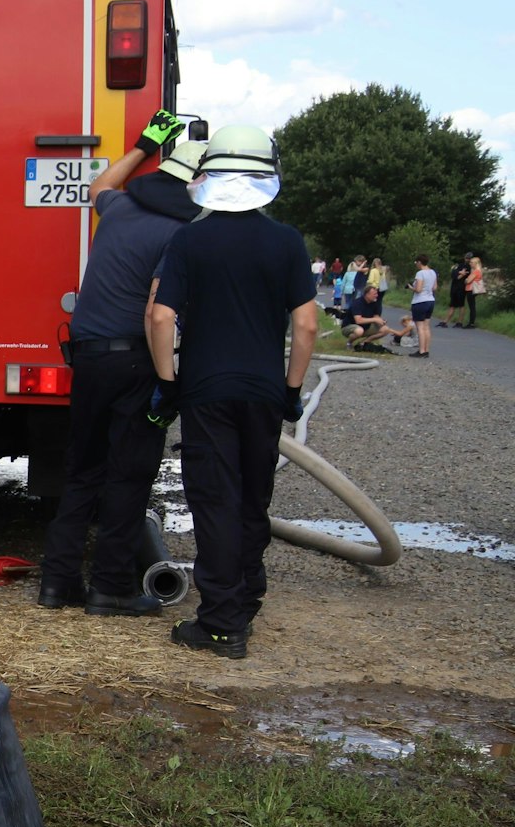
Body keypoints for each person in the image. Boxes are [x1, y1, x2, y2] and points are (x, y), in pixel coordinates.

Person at [144, 124, 318, 659]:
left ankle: (220, 625)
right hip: (265, 393)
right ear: (268, 174)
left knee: (215, 501)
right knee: (250, 498)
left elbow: (159, 314)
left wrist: (166, 386)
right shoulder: (287, 241)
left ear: (208, 175)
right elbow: (307, 325)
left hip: (206, 393)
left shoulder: (190, 240)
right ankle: (246, 598)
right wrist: (291, 391)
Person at [37, 114, 202, 615]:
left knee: (82, 471)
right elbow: (158, 312)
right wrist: (167, 383)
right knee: (129, 475)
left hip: (87, 356)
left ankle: (57, 584)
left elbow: (99, 184)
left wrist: (141, 146)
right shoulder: (182, 232)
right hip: (134, 360)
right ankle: (110, 588)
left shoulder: (123, 206)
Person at [339, 283, 410, 351]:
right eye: (374, 294)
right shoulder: (358, 303)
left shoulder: (375, 303)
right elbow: (358, 320)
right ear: (367, 294)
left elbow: (376, 317)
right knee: (359, 331)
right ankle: (349, 343)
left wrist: (381, 321)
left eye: (377, 294)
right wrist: (375, 320)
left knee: (385, 329)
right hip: (349, 327)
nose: (376, 296)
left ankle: (363, 343)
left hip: (365, 327)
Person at [408, 254, 437, 358]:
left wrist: (411, 287)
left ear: (420, 262)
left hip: (420, 301)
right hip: (430, 300)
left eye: (416, 262)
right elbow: (434, 287)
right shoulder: (433, 272)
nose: (416, 264)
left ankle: (421, 350)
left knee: (420, 327)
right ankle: (427, 350)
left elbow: (418, 289)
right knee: (426, 327)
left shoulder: (420, 273)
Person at [439, 258, 470, 328]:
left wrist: (459, 273)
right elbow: (453, 274)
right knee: (452, 304)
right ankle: (445, 321)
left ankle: (459, 322)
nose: (467, 259)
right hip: (454, 288)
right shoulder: (459, 265)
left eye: (468, 258)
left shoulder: (469, 267)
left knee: (461, 305)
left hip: (461, 288)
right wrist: (459, 272)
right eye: (466, 257)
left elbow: (459, 277)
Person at [464, 252, 486, 327]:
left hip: (471, 289)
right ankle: (471, 322)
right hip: (473, 290)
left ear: (476, 263)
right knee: (472, 306)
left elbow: (468, 281)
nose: (470, 264)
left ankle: (471, 323)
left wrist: (466, 279)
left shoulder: (476, 271)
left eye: (472, 262)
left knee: (472, 307)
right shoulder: (479, 271)